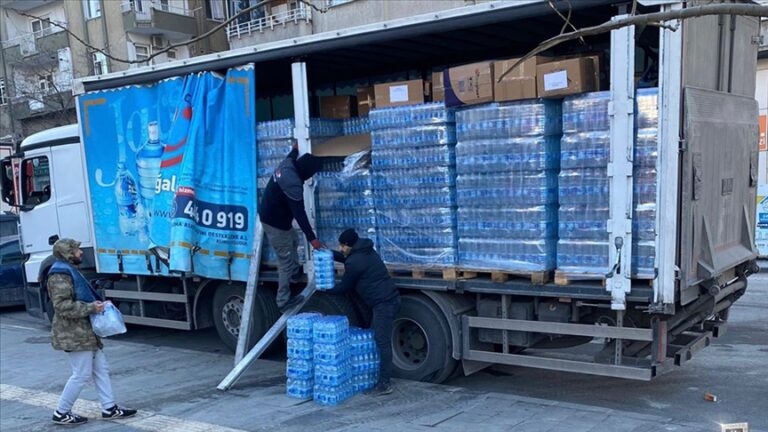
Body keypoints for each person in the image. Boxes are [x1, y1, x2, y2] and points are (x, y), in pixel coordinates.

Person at [47, 238, 137, 426]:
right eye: (77, 249)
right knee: (81, 374)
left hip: (84, 331)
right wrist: (91, 308)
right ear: (68, 253)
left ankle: (109, 408)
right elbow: (62, 306)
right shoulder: (59, 275)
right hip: (74, 333)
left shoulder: (68, 270)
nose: (81, 252)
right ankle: (61, 412)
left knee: (101, 369)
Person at [327, 228, 400, 396]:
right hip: (388, 300)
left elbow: (345, 287)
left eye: (342, 246)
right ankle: (379, 377)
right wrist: (328, 253)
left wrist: (326, 289)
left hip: (384, 304)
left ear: (349, 245)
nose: (340, 249)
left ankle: (385, 384)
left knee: (382, 341)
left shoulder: (355, 261)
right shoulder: (366, 251)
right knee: (375, 337)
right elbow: (347, 259)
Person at [259, 144, 327, 312]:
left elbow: (292, 154)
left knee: (294, 239)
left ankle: (295, 274)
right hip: (274, 224)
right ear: (305, 174)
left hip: (277, 218)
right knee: (285, 262)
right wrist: (312, 239)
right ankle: (283, 301)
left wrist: (296, 148)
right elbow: (300, 215)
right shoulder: (293, 184)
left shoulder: (287, 164)